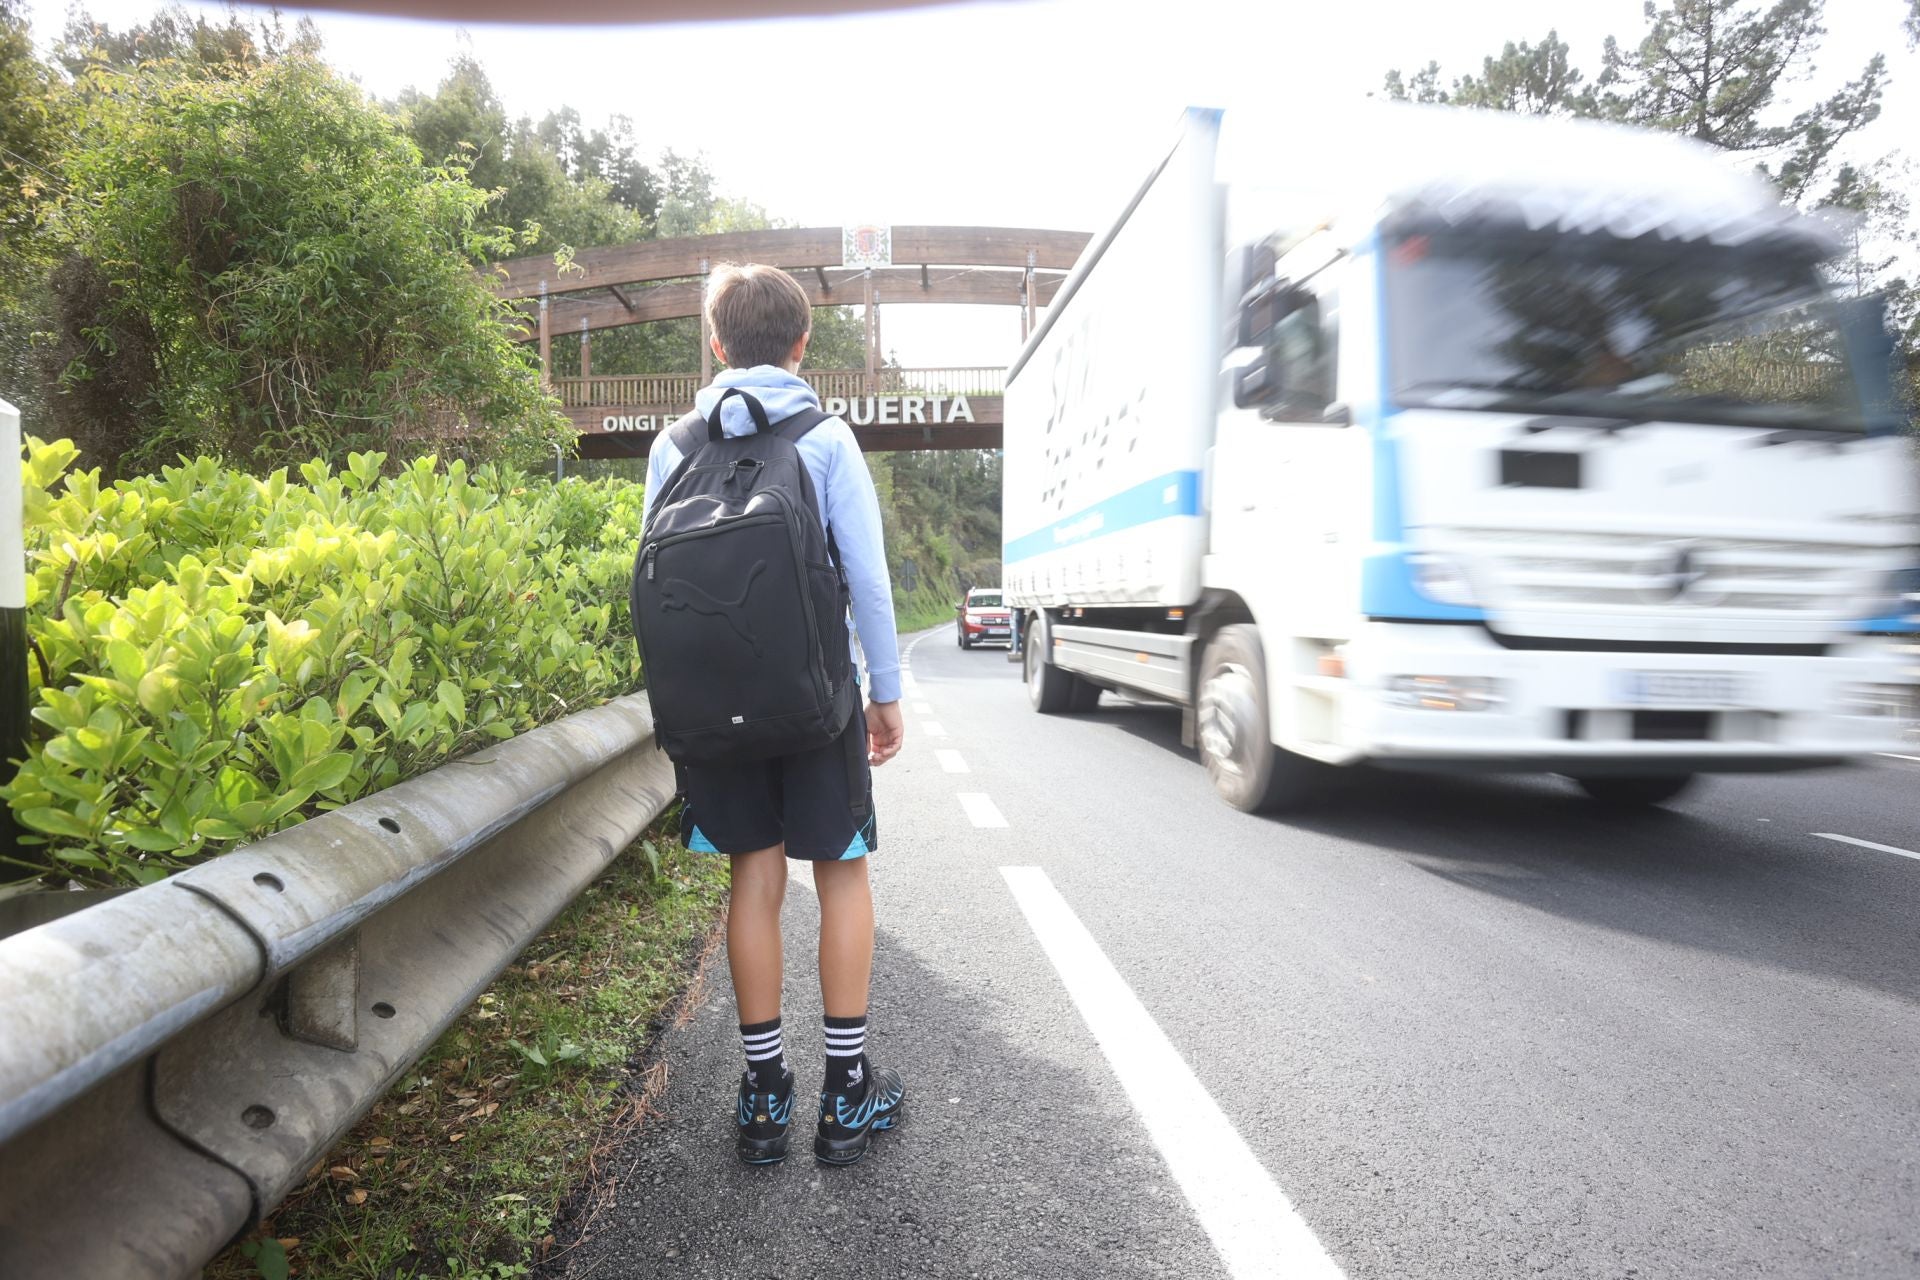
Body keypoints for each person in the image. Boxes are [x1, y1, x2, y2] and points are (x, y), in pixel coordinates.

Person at [639, 263, 907, 1167]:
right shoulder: (826, 436)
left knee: (751, 879)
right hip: (815, 700)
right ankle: (846, 1096)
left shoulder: (671, 444)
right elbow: (867, 581)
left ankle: (761, 1100)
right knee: (841, 870)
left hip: (715, 707)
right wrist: (885, 693)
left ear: (716, 344)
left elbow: (656, 580)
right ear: (802, 345)